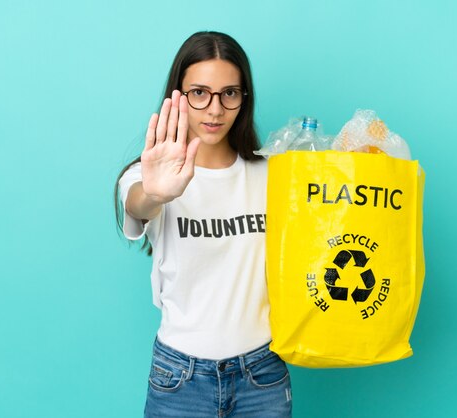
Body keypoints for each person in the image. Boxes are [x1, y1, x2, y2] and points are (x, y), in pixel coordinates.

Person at [114, 31, 292, 417]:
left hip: (261, 376)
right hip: (179, 378)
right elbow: (138, 203)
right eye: (199, 93)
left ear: (244, 98)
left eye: (230, 93)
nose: (214, 110)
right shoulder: (147, 176)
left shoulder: (272, 175)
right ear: (178, 95)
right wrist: (156, 193)